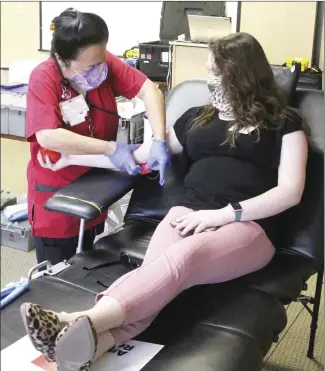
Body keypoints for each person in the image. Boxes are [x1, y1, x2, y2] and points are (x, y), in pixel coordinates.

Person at [21, 32, 308, 370]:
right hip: (186, 215)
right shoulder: (198, 119)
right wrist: (72, 159)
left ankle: (77, 319)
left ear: (240, 74)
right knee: (155, 280)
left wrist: (223, 216)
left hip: (247, 225)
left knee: (181, 259)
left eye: (215, 72)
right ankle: (89, 348)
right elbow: (140, 155)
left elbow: (290, 192)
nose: (209, 79)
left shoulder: (284, 124)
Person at [26, 8, 169, 266]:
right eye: (92, 65)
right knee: (58, 275)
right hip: (59, 194)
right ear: (63, 59)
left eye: (103, 59)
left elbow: (150, 90)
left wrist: (159, 139)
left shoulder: (103, 63)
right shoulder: (44, 78)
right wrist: (110, 148)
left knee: (91, 264)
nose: (101, 68)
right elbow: (47, 136)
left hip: (98, 186)